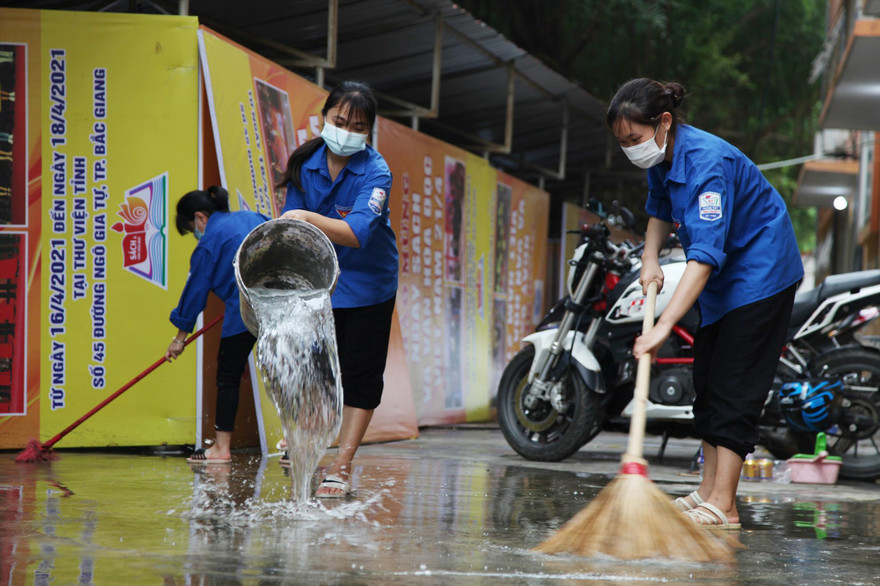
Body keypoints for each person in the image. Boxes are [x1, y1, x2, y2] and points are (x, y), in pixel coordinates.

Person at [608, 78, 803, 529]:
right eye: (622, 143)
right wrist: (650, 257)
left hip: (760, 274)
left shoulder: (707, 163)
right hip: (722, 282)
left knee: (735, 385)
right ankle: (707, 490)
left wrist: (661, 324)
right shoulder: (663, 155)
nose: (630, 148)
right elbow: (659, 207)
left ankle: (725, 505)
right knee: (709, 382)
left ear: (664, 123)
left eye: (634, 139)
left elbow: (704, 258)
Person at [277, 80, 398, 498]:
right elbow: (289, 224)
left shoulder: (377, 172)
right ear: (325, 117)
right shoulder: (306, 160)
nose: (345, 130)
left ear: (369, 132)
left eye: (357, 125)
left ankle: (342, 465)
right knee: (313, 369)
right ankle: (304, 436)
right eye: (339, 120)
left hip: (368, 285)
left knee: (360, 375)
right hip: (317, 283)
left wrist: (306, 217)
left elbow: (357, 231)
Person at [166, 185, 269, 464]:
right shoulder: (253, 217)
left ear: (200, 218)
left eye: (191, 228)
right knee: (285, 370)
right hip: (281, 302)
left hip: (244, 309)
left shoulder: (209, 243)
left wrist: (179, 339)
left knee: (228, 376)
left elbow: (194, 293)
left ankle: (221, 449)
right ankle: (294, 445)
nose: (195, 235)